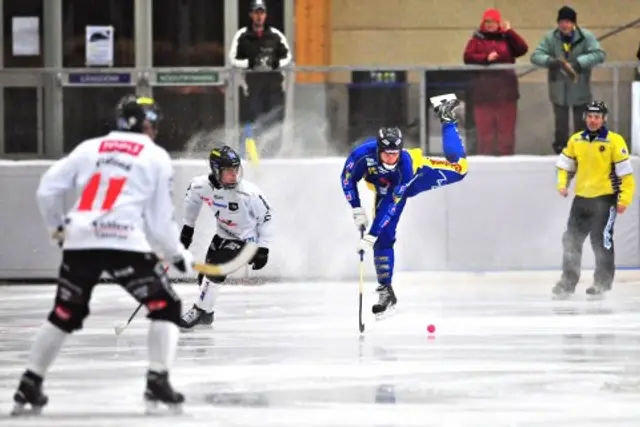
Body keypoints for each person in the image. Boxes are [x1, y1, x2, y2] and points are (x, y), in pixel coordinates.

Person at [11, 95, 193, 415]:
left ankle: (30, 381)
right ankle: (157, 379)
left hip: (81, 240)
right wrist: (176, 254)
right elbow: (159, 220)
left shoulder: (89, 148)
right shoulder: (155, 156)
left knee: (64, 313)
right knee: (166, 306)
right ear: (148, 123)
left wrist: (57, 230)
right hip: (124, 243)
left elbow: (47, 189)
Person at [341, 98, 468, 317]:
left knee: (461, 169)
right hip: (382, 187)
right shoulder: (361, 156)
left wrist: (369, 235)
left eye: (395, 153)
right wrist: (356, 208)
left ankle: (446, 116)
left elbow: (391, 204)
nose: (391, 158)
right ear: (378, 150)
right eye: (387, 153)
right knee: (384, 238)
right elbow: (347, 180)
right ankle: (386, 290)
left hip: (413, 179)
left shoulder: (405, 165)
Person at [178, 145, 272, 330]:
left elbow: (267, 217)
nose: (234, 175)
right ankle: (207, 314)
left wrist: (263, 248)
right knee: (204, 277)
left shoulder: (249, 193)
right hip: (222, 235)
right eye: (228, 171)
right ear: (215, 170)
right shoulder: (200, 186)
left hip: (247, 241)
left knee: (215, 270)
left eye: (236, 170)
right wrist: (187, 230)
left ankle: (198, 310)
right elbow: (192, 203)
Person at [553, 101, 635, 299]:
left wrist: (624, 199)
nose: (592, 120)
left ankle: (602, 282)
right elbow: (565, 165)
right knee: (571, 239)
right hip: (582, 198)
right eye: (590, 116)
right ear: (585, 118)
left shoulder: (614, 142)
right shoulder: (576, 140)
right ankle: (568, 281)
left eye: (597, 117)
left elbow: (626, 175)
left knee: (601, 240)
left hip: (605, 199)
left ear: (604, 119)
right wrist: (562, 184)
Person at [530, 6, 606, 154]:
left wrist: (580, 62)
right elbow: (535, 56)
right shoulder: (550, 38)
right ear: (558, 23)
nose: (565, 25)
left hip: (580, 88)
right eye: (562, 22)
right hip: (558, 89)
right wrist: (551, 61)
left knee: (582, 123)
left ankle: (582, 151)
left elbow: (599, 54)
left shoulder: (586, 37)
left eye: (568, 22)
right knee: (561, 126)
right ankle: (560, 151)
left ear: (574, 24)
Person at [463, 7, 528, 155]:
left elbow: (522, 49)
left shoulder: (506, 38)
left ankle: (507, 162)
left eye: (493, 22)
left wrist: (510, 32)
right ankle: (486, 162)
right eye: (487, 22)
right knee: (485, 135)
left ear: (498, 23)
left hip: (506, 95)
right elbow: (468, 57)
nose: (490, 25)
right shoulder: (476, 39)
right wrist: (485, 58)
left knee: (506, 134)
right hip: (483, 95)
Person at [229, 0, 292, 137]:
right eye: (256, 12)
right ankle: (253, 154)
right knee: (254, 123)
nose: (259, 16)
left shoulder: (275, 35)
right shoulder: (242, 36)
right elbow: (232, 59)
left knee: (275, 124)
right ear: (251, 14)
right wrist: (250, 63)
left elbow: (288, 57)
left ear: (265, 15)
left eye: (262, 12)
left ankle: (274, 155)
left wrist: (275, 63)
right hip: (252, 89)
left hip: (274, 89)